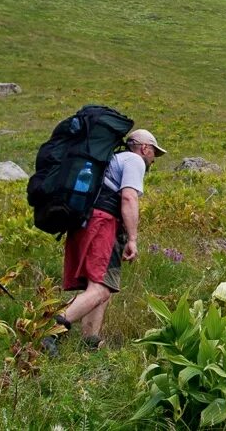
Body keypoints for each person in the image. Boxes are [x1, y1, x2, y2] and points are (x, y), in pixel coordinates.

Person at [48, 128, 166, 352]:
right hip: (103, 223)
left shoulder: (111, 160)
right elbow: (129, 197)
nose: (153, 160)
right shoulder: (134, 160)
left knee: (103, 287)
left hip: (85, 221)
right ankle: (51, 329)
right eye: (153, 154)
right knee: (101, 288)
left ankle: (90, 340)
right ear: (145, 148)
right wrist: (133, 238)